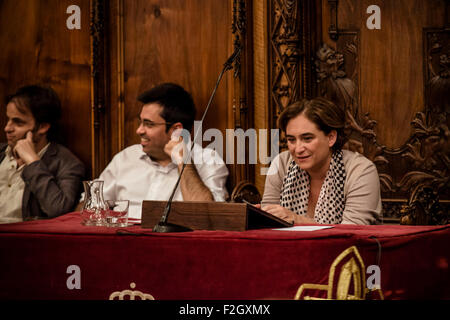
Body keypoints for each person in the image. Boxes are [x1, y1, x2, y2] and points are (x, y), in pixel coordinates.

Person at [87, 83, 229, 219]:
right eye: (140, 122)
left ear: (176, 130)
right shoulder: (125, 158)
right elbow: (88, 206)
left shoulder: (208, 160)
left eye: (148, 124)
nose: (139, 130)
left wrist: (183, 161)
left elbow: (208, 217)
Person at [261, 98, 382, 225]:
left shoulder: (361, 170)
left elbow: (351, 233)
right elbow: (267, 222)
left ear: (331, 138)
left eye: (307, 139)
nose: (298, 149)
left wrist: (296, 220)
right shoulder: (281, 163)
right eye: (291, 140)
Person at [0, 85, 85, 224]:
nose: (7, 128)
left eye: (18, 122)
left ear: (42, 127)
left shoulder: (67, 163)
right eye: (8, 119)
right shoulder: (1, 153)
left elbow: (58, 210)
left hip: (24, 241)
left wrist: (33, 162)